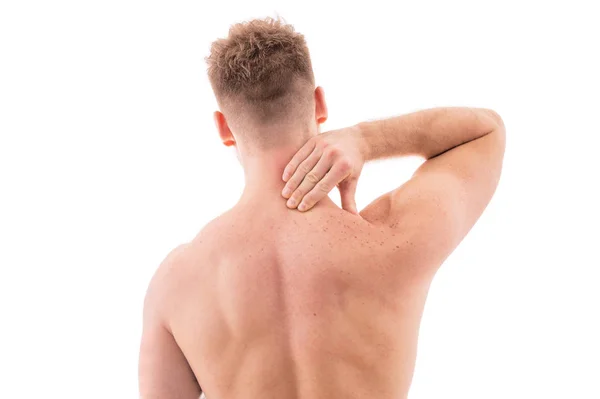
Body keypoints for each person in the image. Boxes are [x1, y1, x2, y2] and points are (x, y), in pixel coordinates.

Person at [138, 16, 506, 399]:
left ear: (224, 128)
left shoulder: (176, 283)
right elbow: (486, 131)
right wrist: (365, 139)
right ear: (319, 104)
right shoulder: (390, 241)